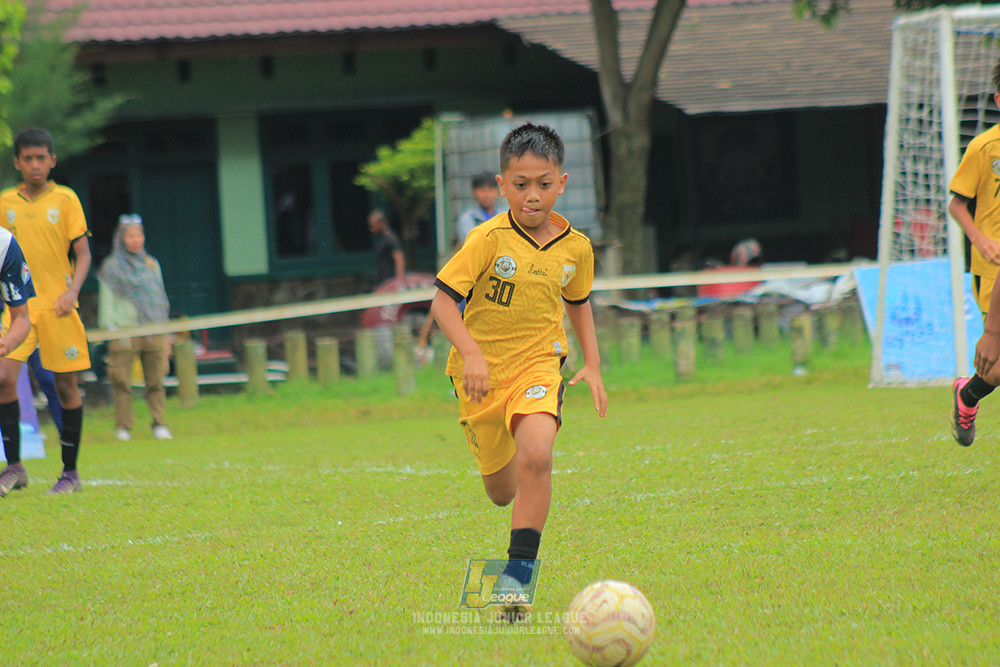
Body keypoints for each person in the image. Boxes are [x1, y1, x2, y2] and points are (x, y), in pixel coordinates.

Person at [430, 122, 608, 616]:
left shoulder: (577, 249)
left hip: (538, 363)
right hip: (481, 377)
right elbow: (443, 304)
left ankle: (516, 580)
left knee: (536, 455)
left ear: (562, 183)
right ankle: (499, 459)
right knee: (501, 492)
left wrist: (592, 362)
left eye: (544, 184)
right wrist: (472, 354)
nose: (533, 196)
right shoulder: (486, 239)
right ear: (502, 184)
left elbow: (578, 302)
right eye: (521, 185)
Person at [0, 127, 91, 495]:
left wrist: (72, 291)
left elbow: (82, 252)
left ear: (52, 161)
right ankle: (15, 467)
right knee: (4, 378)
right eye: (28, 159)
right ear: (17, 162)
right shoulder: (5, 203)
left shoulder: (66, 199)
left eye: (42, 158)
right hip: (19, 308)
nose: (35, 165)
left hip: (57, 306)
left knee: (64, 384)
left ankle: (70, 473)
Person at [948, 56, 1000, 447]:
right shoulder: (984, 148)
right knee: (995, 365)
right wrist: (980, 239)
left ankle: (967, 395)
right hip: (991, 267)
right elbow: (956, 204)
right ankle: (968, 395)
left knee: (995, 372)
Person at [98, 214, 173, 442]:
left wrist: (164, 326)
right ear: (121, 238)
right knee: (121, 380)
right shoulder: (112, 266)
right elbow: (107, 299)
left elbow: (159, 295)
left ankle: (159, 423)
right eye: (130, 236)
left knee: (157, 379)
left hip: (153, 328)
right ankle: (123, 427)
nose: (135, 240)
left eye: (138, 235)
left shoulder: (151, 263)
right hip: (124, 330)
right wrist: (110, 327)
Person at [455, 171, 501, 244]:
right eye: (482, 190)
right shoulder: (468, 217)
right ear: (474, 192)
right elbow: (472, 244)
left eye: (491, 190)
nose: (487, 195)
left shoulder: (505, 215)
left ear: (498, 191)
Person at [367, 208, 404, 286]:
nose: (372, 229)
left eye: (373, 226)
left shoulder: (391, 239)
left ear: (382, 223)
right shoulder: (382, 239)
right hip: (383, 283)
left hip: (390, 283)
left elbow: (399, 259)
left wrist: (398, 281)